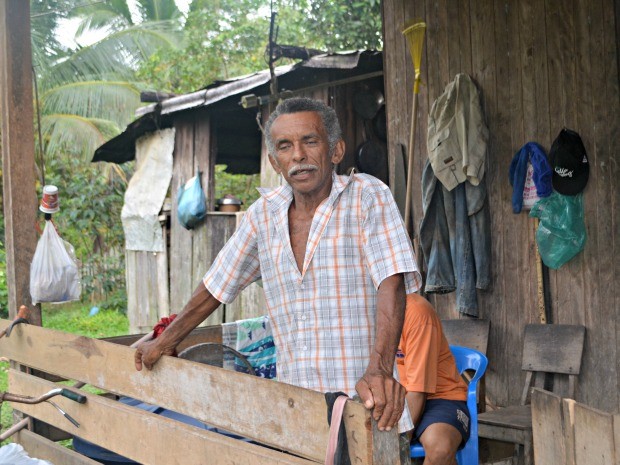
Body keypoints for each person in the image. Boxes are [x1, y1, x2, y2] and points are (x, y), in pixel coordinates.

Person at [134, 97, 421, 433]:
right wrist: (166, 340)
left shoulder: (367, 197)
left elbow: (392, 281)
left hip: (368, 403)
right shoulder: (263, 216)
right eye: (285, 146)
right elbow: (216, 286)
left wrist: (381, 369)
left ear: (336, 150)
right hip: (299, 413)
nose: (298, 155)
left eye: (310, 141)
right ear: (275, 161)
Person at [396, 293, 470, 465]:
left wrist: (399, 443)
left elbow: (417, 392)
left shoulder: (416, 312)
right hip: (396, 400)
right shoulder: (367, 312)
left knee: (439, 451)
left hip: (440, 398)